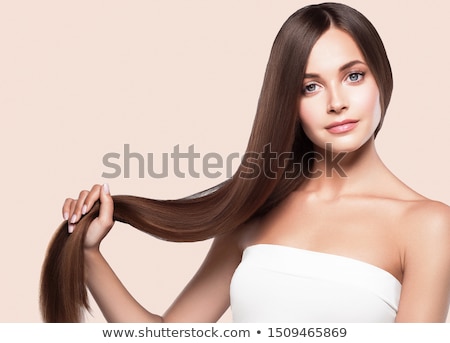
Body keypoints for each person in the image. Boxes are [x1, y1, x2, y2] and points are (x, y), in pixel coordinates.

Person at [40, 2, 450, 323]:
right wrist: (90, 256)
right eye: (310, 86)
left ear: (382, 77)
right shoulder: (256, 209)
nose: (337, 102)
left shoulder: (428, 226)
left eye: (353, 76)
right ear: (288, 104)